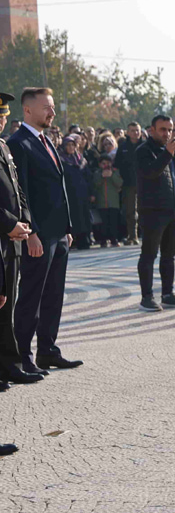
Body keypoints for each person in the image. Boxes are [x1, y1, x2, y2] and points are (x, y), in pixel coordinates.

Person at [8, 88, 82, 373]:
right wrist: (33, 233)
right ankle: (23, 355)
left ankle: (48, 350)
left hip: (58, 233)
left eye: (52, 107)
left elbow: (59, 186)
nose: (51, 112)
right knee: (31, 296)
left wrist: (67, 228)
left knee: (54, 295)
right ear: (27, 110)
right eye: (46, 108)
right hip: (38, 235)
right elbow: (21, 192)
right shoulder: (19, 143)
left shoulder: (47, 140)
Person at [0, 92, 39, 388]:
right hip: (3, 232)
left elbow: (17, 188)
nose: (1, 121)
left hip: (10, 238)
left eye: (3, 116)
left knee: (7, 304)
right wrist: (10, 223)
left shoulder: (2, 146)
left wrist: (22, 220)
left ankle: (9, 365)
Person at [135, 115, 175, 311]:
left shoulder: (174, 151)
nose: (167, 133)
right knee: (149, 255)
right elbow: (150, 172)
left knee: (170, 256)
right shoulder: (143, 151)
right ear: (152, 130)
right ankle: (147, 297)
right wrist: (167, 153)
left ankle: (168, 294)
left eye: (170, 129)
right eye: (162, 129)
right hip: (153, 212)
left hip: (174, 212)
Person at [60, 136, 92, 250]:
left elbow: (88, 176)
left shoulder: (80, 159)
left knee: (84, 216)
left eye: (72, 145)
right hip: (70, 194)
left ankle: (85, 239)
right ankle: (74, 241)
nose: (70, 147)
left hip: (83, 193)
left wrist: (91, 192)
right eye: (68, 145)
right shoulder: (61, 160)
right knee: (74, 217)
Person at [115, 122, 144, 245]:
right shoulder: (123, 147)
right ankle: (133, 236)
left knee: (146, 211)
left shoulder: (145, 146)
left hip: (145, 183)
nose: (135, 133)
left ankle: (149, 235)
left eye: (137, 130)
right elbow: (117, 165)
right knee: (130, 211)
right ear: (128, 132)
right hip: (128, 184)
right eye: (132, 130)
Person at [91, 154, 123, 247]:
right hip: (101, 202)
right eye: (103, 163)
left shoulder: (115, 171)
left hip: (113, 202)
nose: (106, 165)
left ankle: (114, 239)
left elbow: (119, 183)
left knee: (113, 222)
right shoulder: (97, 173)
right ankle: (103, 240)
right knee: (103, 223)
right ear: (100, 164)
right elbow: (95, 184)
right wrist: (102, 176)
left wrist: (111, 175)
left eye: (108, 163)